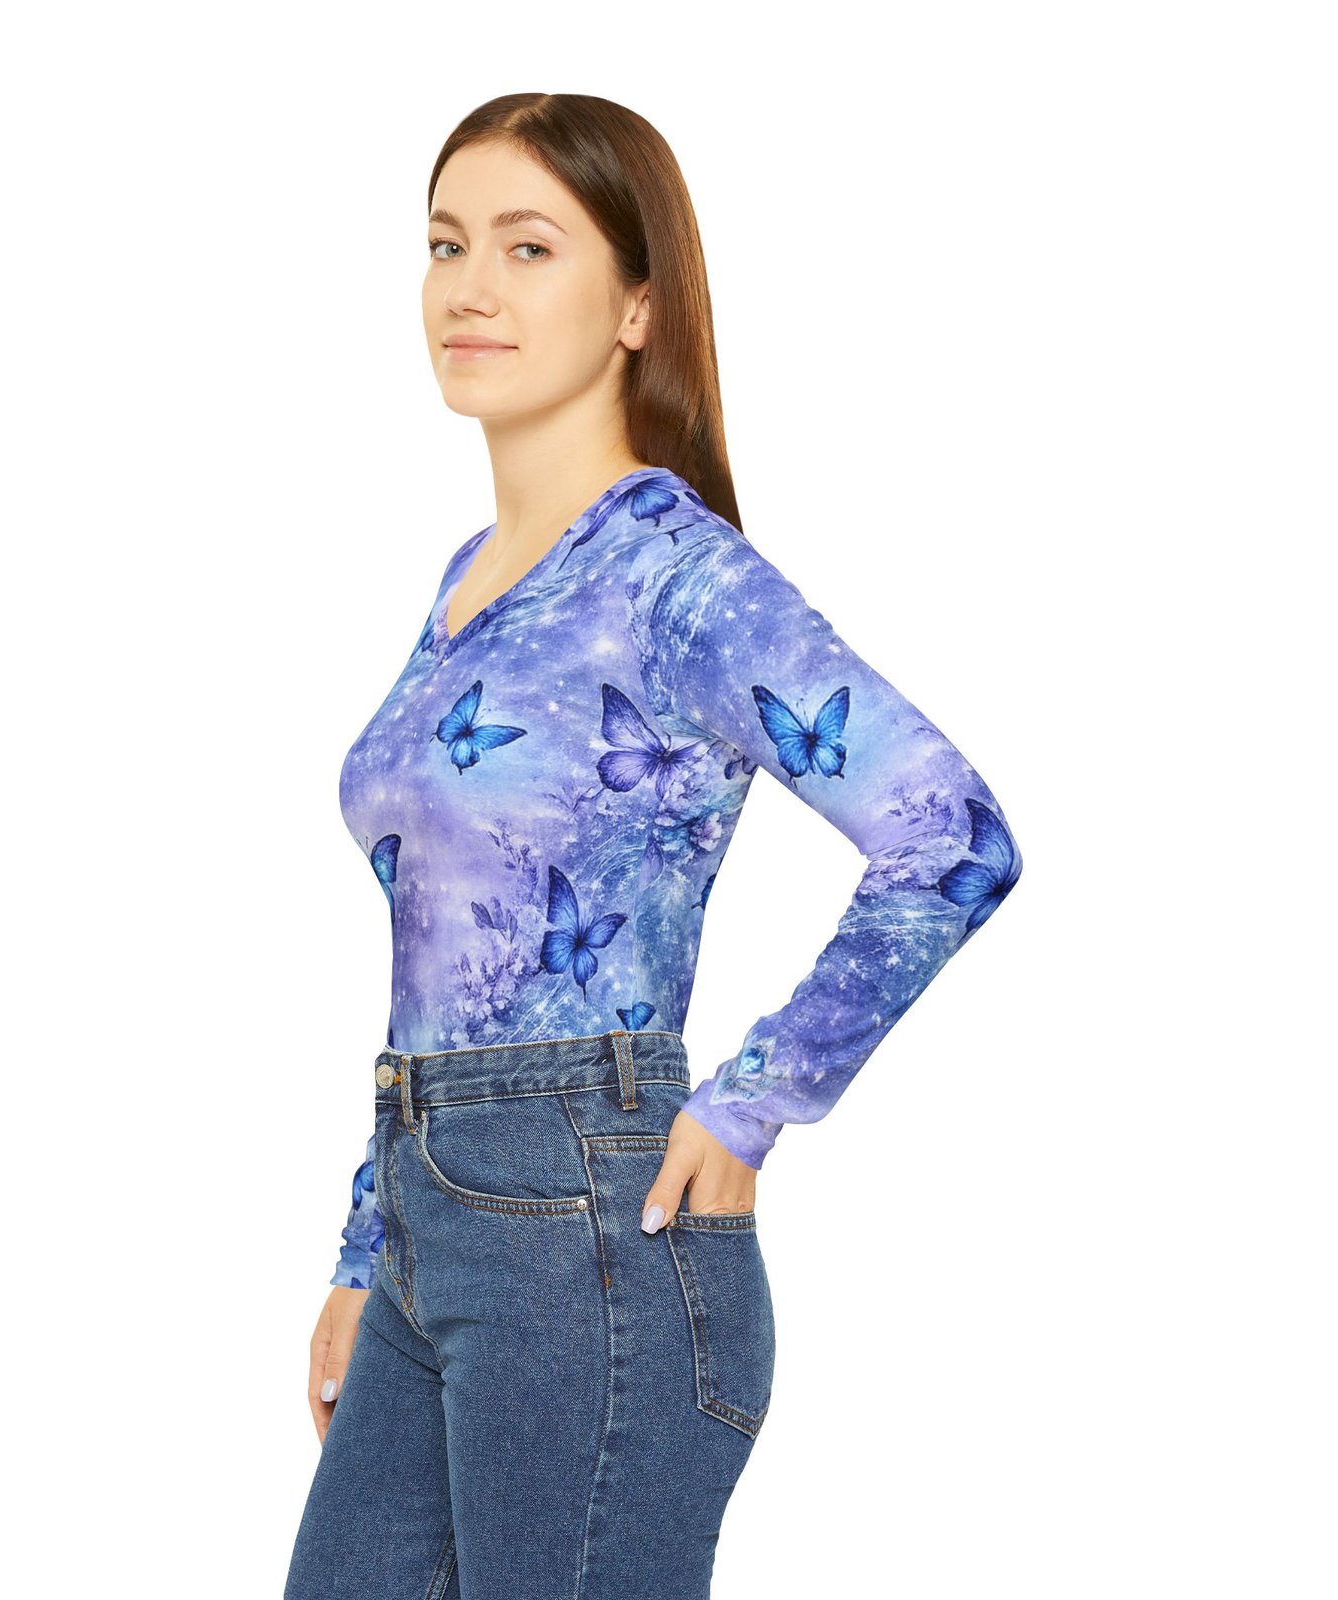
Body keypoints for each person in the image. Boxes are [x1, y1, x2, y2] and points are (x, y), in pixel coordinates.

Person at [284, 93, 1023, 1600]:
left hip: (586, 1232)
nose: (470, 287)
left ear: (636, 304)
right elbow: (438, 949)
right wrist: (371, 1245)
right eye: (445, 244)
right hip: (431, 1215)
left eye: (528, 247)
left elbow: (951, 833)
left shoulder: (673, 577)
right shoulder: (473, 581)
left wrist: (757, 1100)